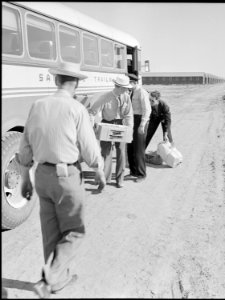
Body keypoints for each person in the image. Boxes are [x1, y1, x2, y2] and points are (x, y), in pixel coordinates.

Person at [16, 62, 106, 298]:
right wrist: (99, 169)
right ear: (76, 83)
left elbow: (24, 146)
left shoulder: (37, 106)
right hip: (67, 177)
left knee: (50, 231)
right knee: (75, 230)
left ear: (56, 81)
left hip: (42, 176)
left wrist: (25, 178)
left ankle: (57, 279)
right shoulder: (77, 109)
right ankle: (49, 280)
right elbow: (88, 148)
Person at [88, 75, 133, 188]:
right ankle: (106, 178)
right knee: (106, 152)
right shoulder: (105, 97)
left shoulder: (126, 97)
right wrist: (93, 125)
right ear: (118, 87)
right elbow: (92, 111)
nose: (127, 90)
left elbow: (129, 114)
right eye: (125, 88)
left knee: (121, 152)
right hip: (107, 125)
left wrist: (130, 128)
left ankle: (120, 180)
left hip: (121, 125)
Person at [126, 73, 151, 182]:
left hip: (140, 120)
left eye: (130, 82)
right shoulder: (131, 92)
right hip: (132, 119)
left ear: (135, 82)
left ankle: (141, 174)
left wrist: (142, 124)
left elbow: (147, 110)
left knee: (139, 149)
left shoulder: (142, 92)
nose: (128, 85)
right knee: (130, 147)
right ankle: (133, 171)